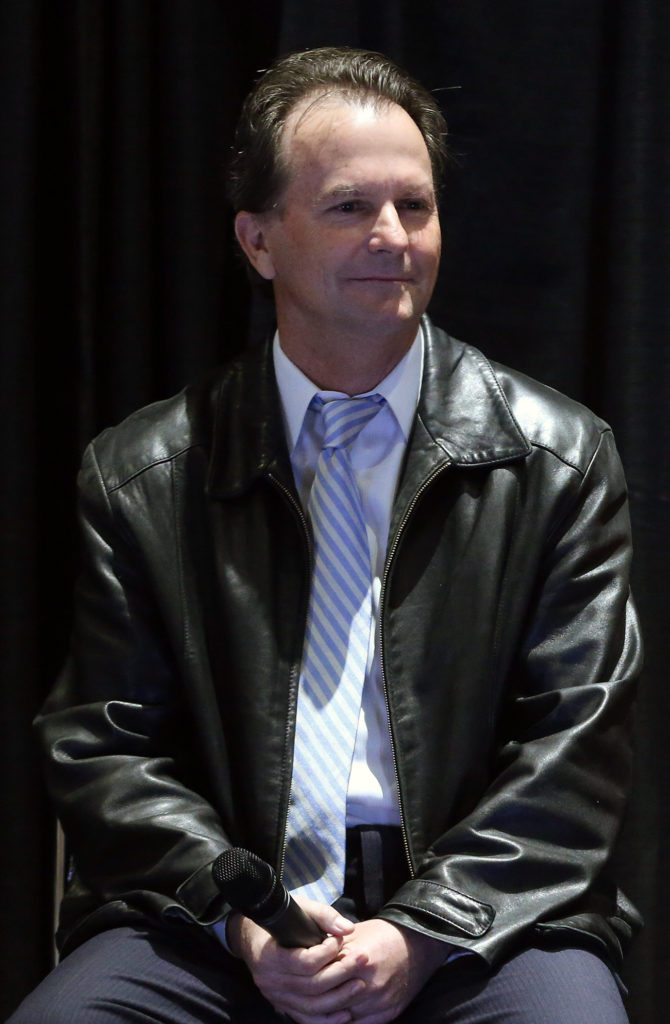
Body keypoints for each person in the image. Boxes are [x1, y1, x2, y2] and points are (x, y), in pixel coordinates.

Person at [10, 46, 641, 1024]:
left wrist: (419, 929)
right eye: (350, 206)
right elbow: (104, 746)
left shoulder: (556, 457)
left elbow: (578, 739)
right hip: (217, 916)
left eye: (416, 207)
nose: (392, 236)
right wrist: (245, 921)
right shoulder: (142, 472)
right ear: (258, 240)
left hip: (485, 917)